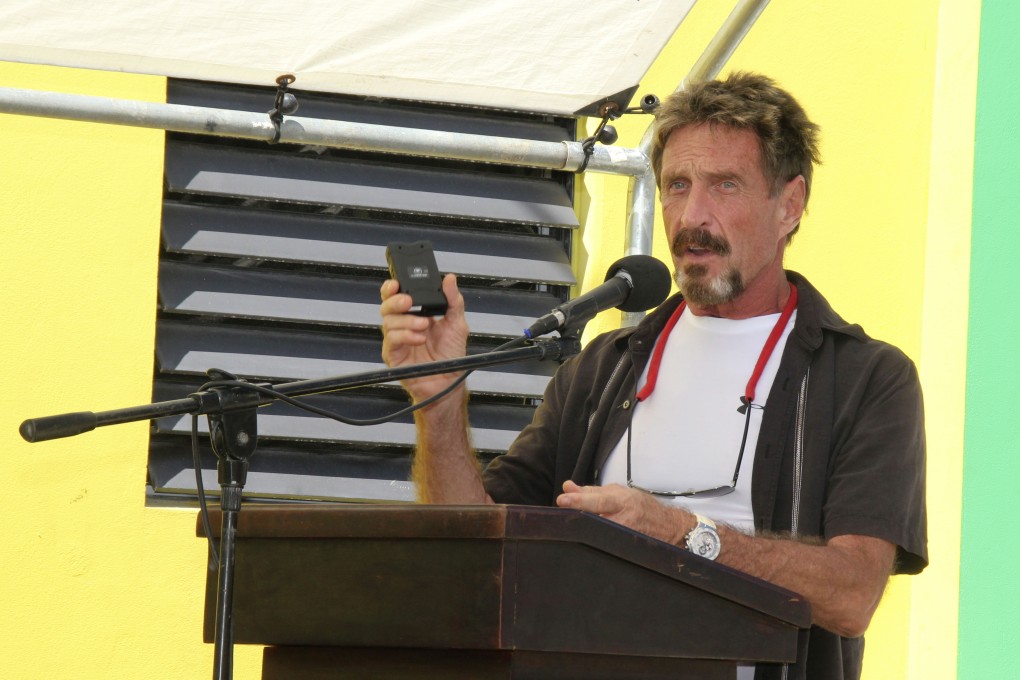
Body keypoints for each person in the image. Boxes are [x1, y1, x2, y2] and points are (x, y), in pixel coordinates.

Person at [379, 72, 927, 680]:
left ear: (789, 206)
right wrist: (438, 399)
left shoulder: (864, 379)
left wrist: (681, 533)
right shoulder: (602, 369)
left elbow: (852, 595)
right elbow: (472, 548)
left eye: (725, 186)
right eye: (676, 186)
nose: (693, 216)